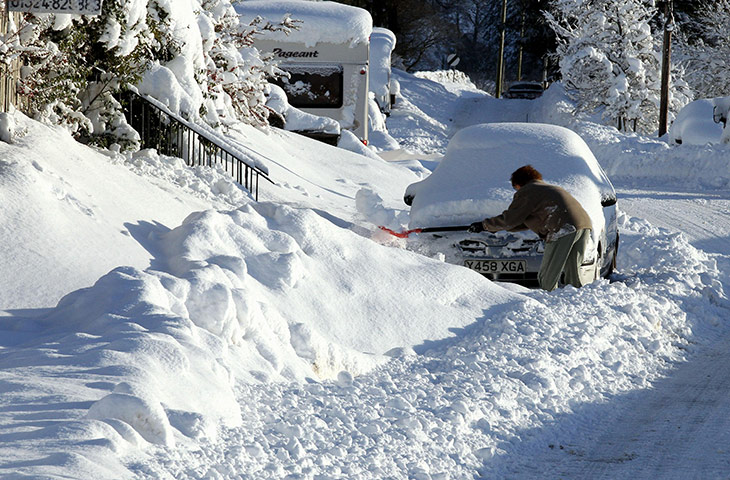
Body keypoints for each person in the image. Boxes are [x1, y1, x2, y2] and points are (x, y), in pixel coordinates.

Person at [468, 165, 593, 291]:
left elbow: (511, 219)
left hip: (562, 228)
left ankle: (548, 302)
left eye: (515, 188)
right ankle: (575, 298)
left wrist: (484, 225)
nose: (516, 191)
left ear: (518, 183)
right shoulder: (547, 188)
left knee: (548, 275)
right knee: (573, 273)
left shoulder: (528, 191)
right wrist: (494, 228)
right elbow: (523, 221)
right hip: (584, 225)